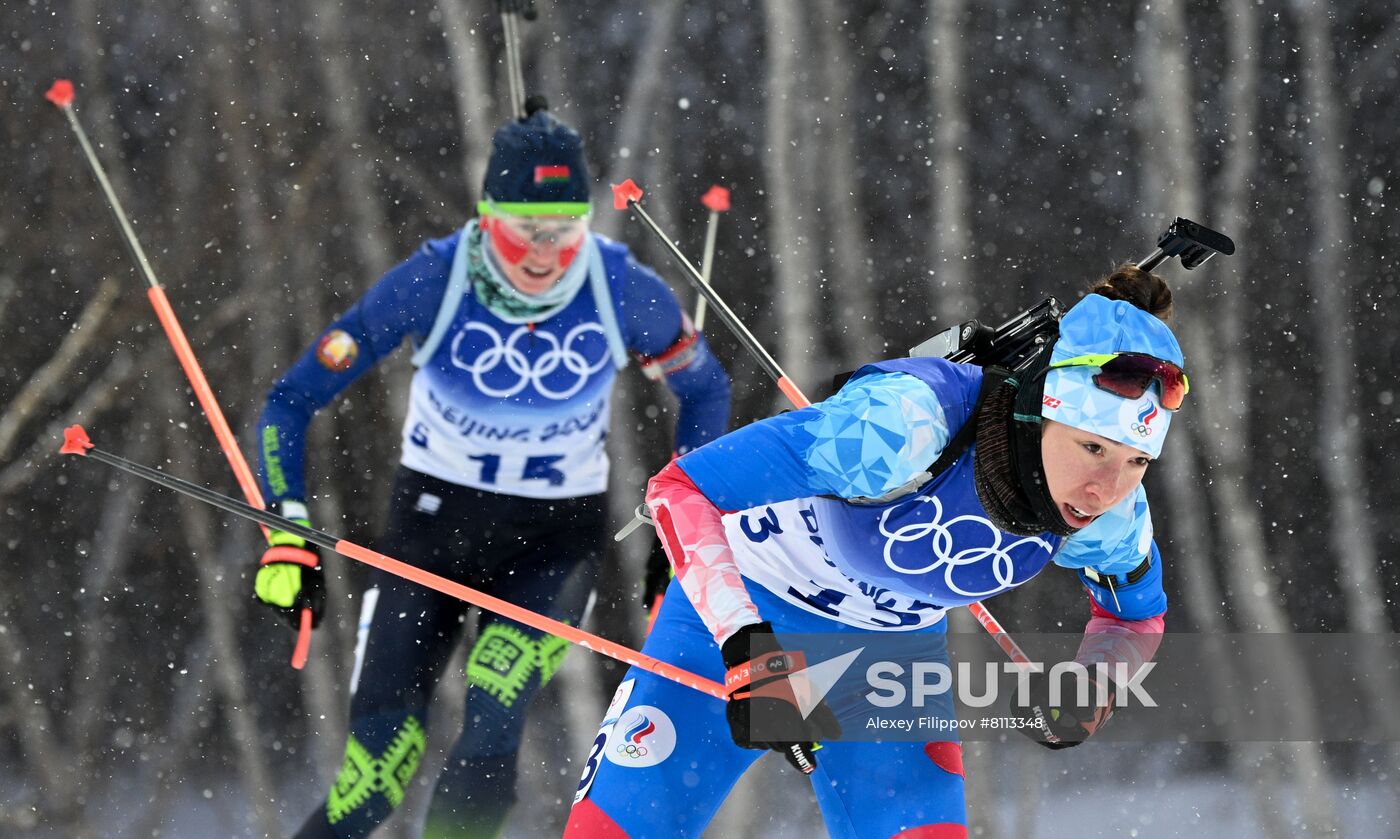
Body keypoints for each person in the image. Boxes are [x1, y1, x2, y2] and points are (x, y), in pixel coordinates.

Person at [250, 102, 730, 839]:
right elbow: (289, 402)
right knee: (372, 780)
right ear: (486, 218)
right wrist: (288, 530)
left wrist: (679, 535)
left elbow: (706, 388)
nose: (545, 253)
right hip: (427, 536)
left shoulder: (618, 285)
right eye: (523, 231)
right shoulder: (433, 279)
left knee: (495, 695)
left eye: (565, 230)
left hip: (552, 543)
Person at [565, 266, 1183, 838]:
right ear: (1038, 413)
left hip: (890, 665)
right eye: (1091, 449)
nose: (1104, 488)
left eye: (1136, 461)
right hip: (741, 617)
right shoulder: (903, 425)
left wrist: (1093, 687)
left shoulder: (1112, 517)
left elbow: (1134, 615)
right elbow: (682, 490)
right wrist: (745, 645)